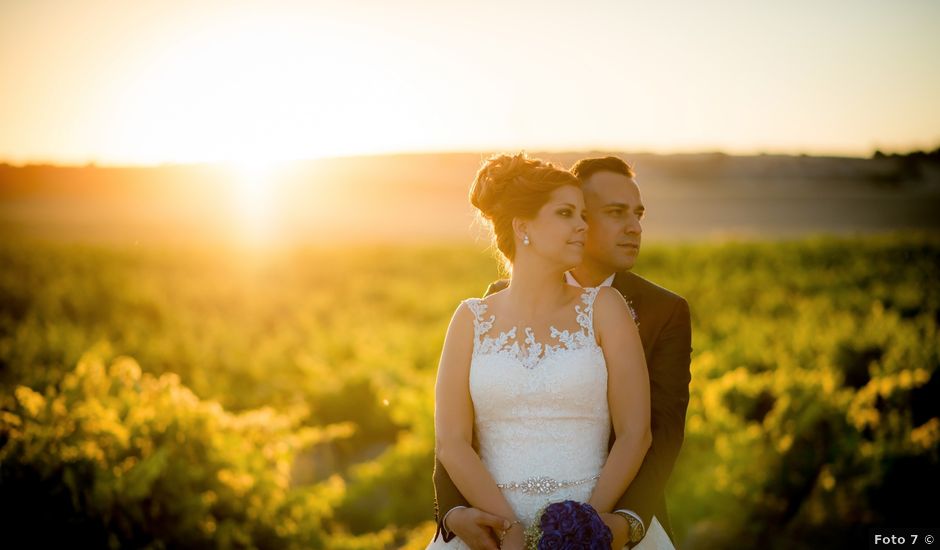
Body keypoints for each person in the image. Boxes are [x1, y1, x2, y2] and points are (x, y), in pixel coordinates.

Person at [432, 156, 692, 549]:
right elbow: (453, 440)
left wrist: (585, 530)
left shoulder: (616, 307)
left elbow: (646, 434)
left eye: (584, 215)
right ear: (523, 227)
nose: (582, 227)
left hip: (604, 522)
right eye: (569, 214)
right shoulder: (475, 315)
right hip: (493, 531)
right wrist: (494, 525)